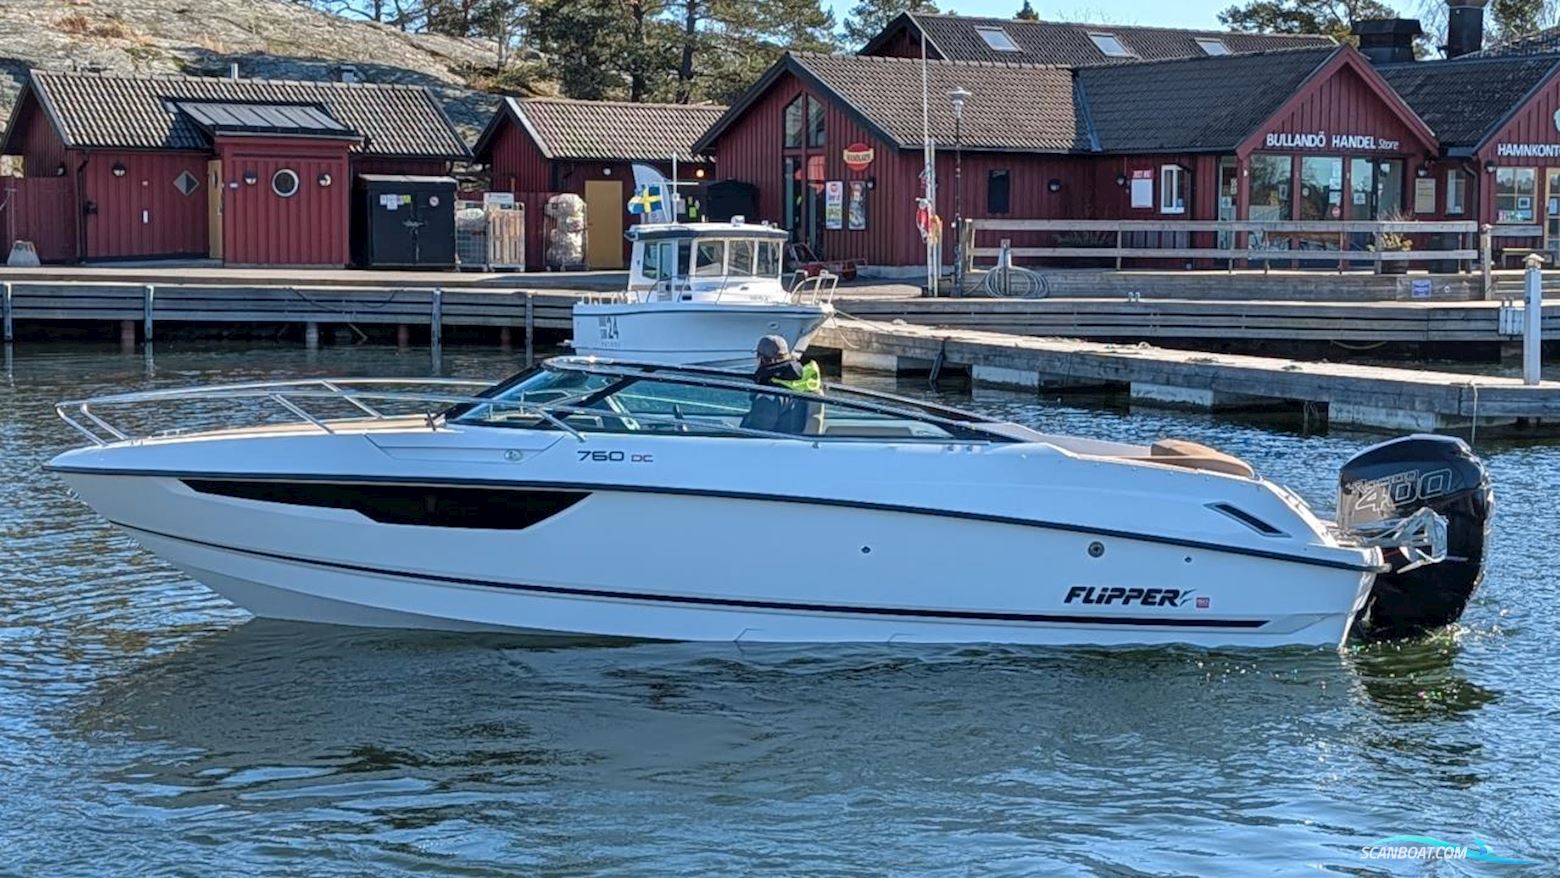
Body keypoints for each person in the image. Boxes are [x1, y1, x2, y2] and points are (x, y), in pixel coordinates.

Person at [740, 335, 822, 434]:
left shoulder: (769, 397)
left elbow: (753, 435)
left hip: (770, 446)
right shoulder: (799, 385)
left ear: (762, 359)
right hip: (788, 441)